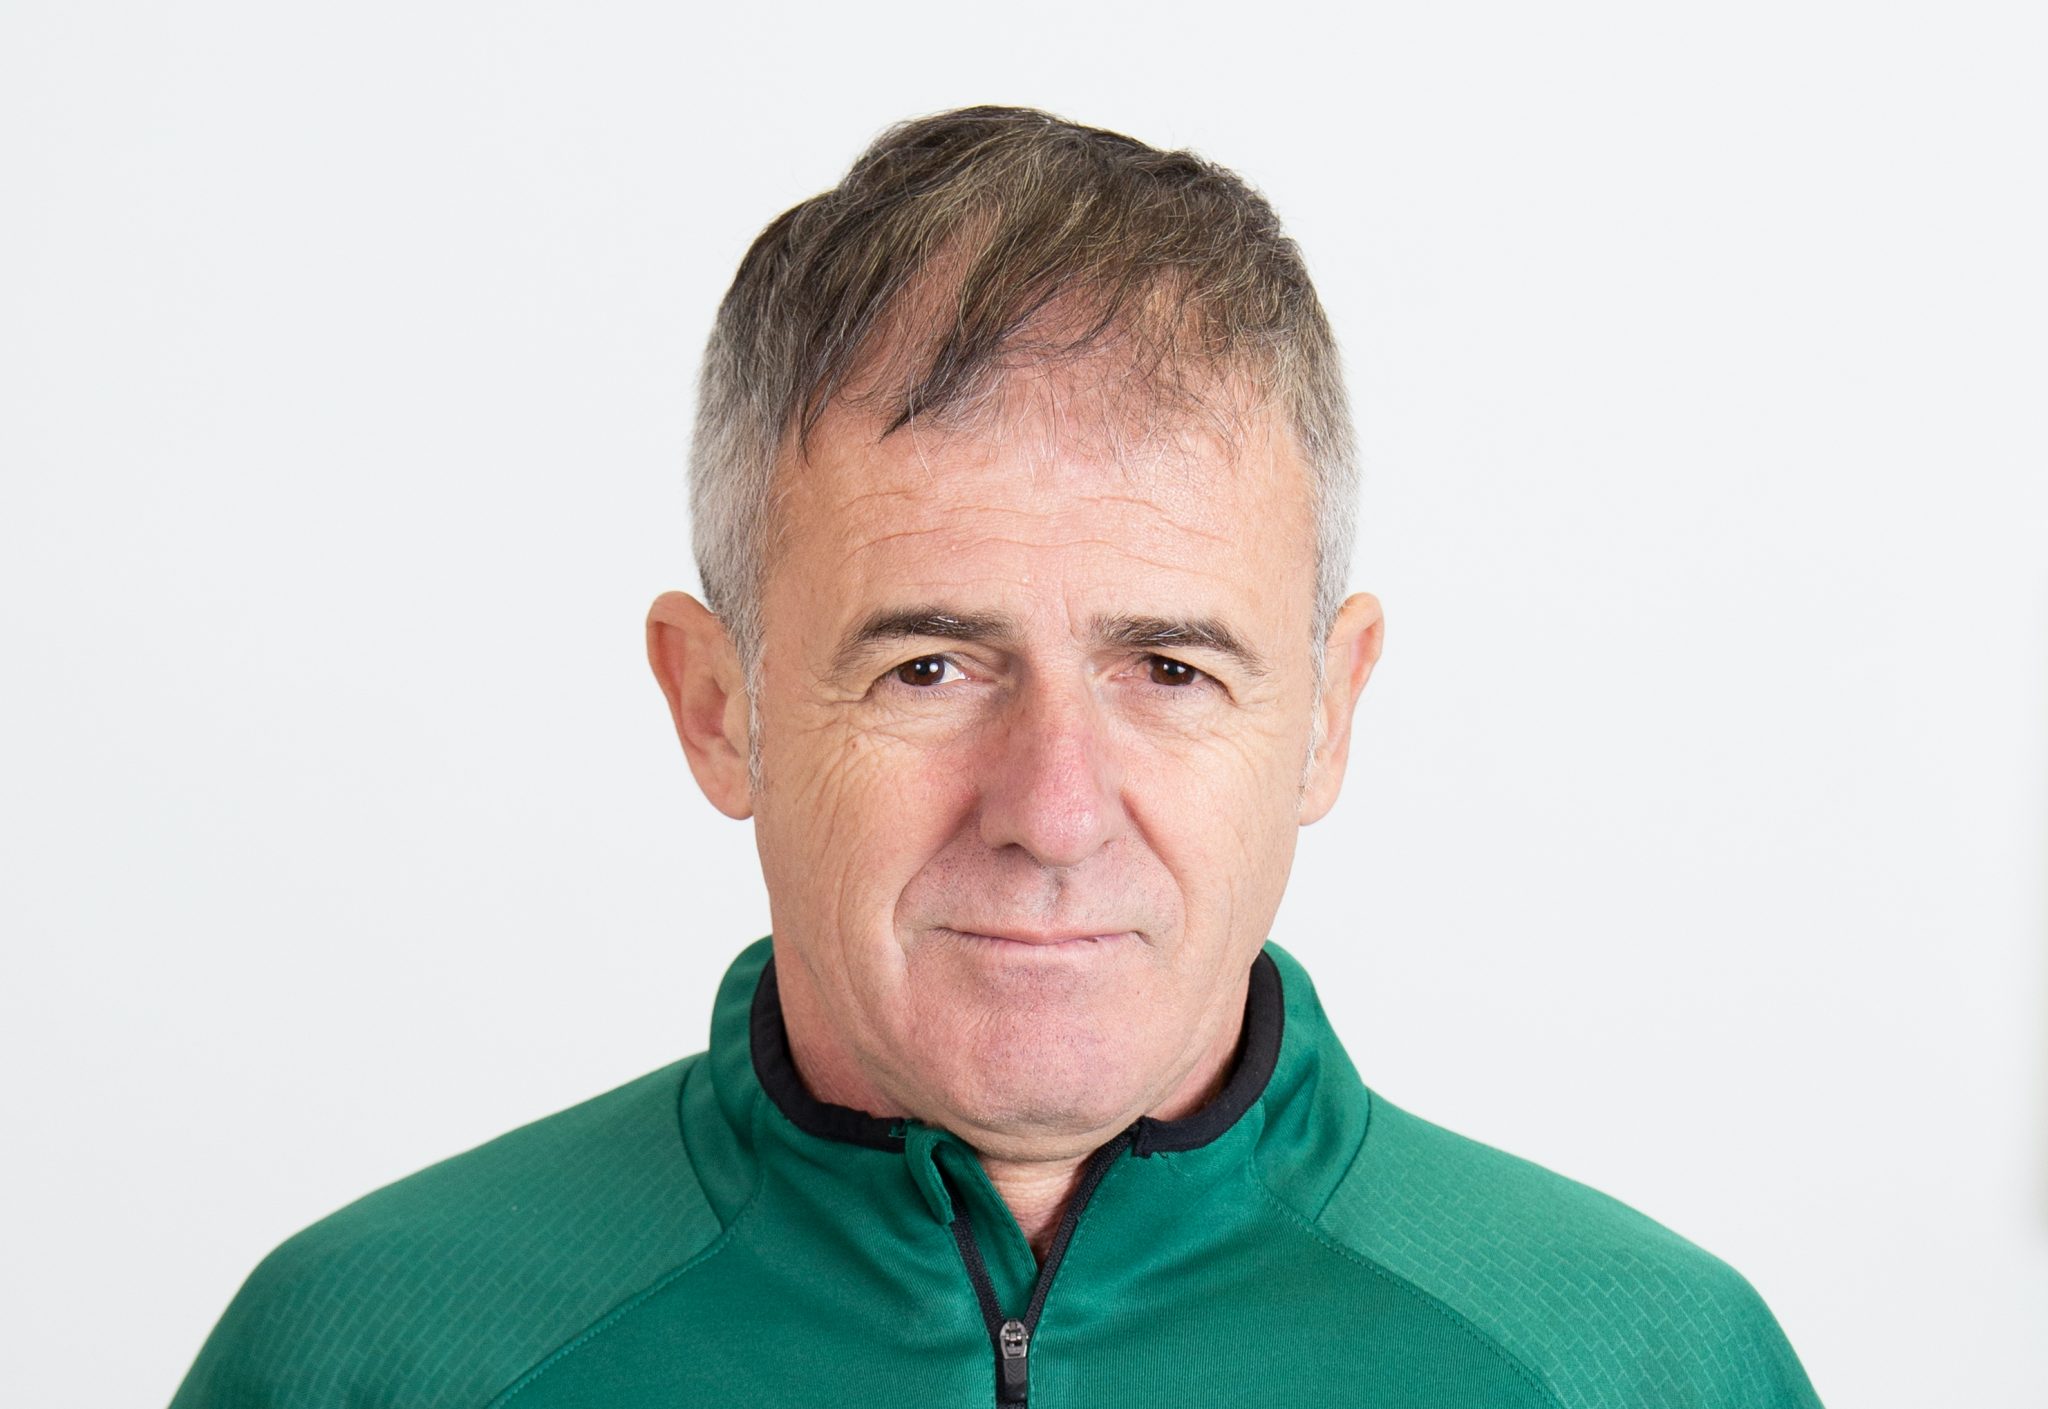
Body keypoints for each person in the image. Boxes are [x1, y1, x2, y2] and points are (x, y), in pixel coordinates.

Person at [170, 105, 1824, 1409]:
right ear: (719, 705)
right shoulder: (371, 1362)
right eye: (931, 666)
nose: (1053, 810)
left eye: (1168, 667)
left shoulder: (1644, 1371)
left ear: (1328, 712)